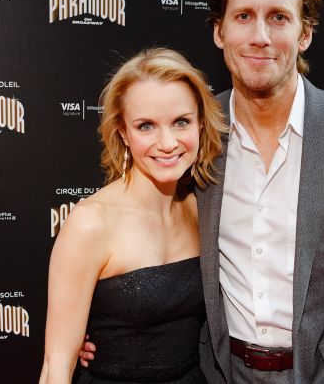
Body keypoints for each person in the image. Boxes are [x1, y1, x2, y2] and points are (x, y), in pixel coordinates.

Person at [81, 0, 324, 384]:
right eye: (243, 16)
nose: (260, 36)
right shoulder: (193, 136)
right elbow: (136, 226)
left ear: (304, 33)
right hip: (219, 373)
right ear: (219, 31)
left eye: (278, 17)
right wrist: (104, 325)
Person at [39, 47, 226, 384]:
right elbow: (57, 364)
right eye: (146, 126)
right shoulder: (92, 222)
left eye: (181, 122)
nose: (167, 143)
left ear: (200, 122)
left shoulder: (204, 208)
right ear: (123, 132)